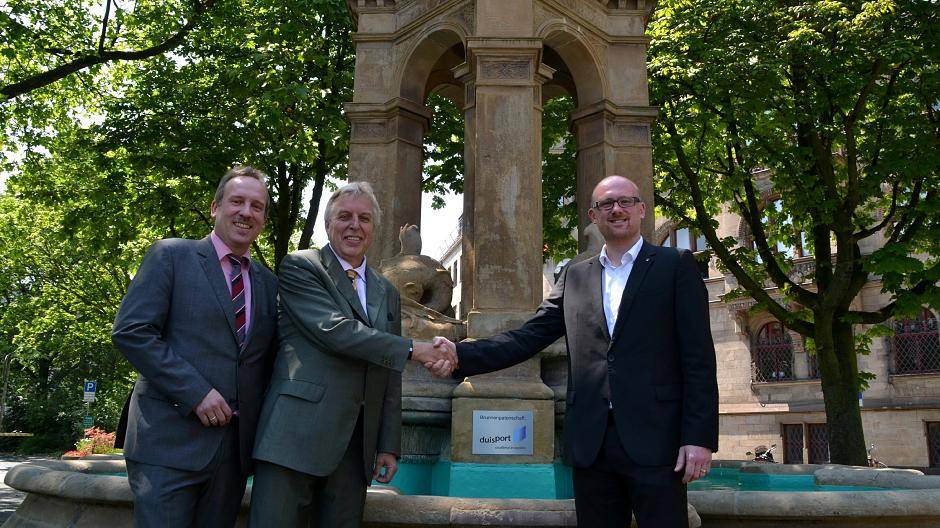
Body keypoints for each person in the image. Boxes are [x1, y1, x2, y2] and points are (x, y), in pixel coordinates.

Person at [433, 175, 719, 528]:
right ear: (593, 216)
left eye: (625, 201)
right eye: (605, 204)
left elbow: (699, 360)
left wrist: (698, 438)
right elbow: (528, 337)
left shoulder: (675, 265)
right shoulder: (574, 275)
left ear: (642, 209)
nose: (616, 209)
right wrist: (462, 355)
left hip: (658, 441)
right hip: (591, 442)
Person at [248, 181, 457, 527]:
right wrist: (414, 348)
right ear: (328, 225)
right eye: (344, 217)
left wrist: (388, 444)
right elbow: (336, 331)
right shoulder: (302, 267)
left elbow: (389, 373)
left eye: (363, 218)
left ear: (374, 229)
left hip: (354, 449)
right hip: (292, 440)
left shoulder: (386, 291)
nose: (354, 225)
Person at [112, 166, 279, 527]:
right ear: (215, 207)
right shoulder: (171, 255)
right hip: (167, 444)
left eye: (257, 206)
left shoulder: (269, 283)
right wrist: (197, 392)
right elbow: (132, 331)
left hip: (231, 456)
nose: (246, 212)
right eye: (237, 201)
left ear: (264, 218)